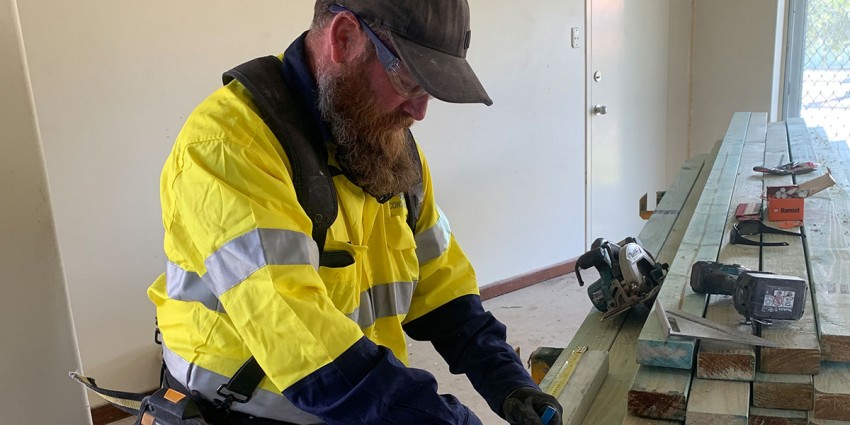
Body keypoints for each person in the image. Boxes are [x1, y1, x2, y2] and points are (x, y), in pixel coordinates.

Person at [147, 0, 563, 424]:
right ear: (344, 38)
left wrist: (509, 382)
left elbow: (444, 291)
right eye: (409, 81)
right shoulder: (228, 147)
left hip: (359, 402)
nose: (420, 112)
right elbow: (307, 349)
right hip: (243, 410)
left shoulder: (388, 147)